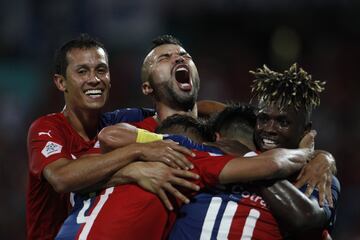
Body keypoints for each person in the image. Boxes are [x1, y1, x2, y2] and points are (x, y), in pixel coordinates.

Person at [26, 34, 197, 240]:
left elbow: (173, 112)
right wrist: (136, 156)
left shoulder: (121, 121)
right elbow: (62, 179)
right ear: (61, 82)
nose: (94, 79)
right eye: (82, 71)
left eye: (101, 70)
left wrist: (217, 112)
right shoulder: (47, 128)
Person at [56, 113, 314, 240]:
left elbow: (107, 138)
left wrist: (135, 160)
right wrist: (309, 151)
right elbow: (272, 163)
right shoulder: (186, 155)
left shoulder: (96, 168)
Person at [169, 64, 339, 240]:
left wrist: (251, 161)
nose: (269, 129)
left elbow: (306, 219)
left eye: (283, 122)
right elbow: (207, 109)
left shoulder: (317, 175)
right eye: (263, 119)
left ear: (305, 130)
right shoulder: (227, 149)